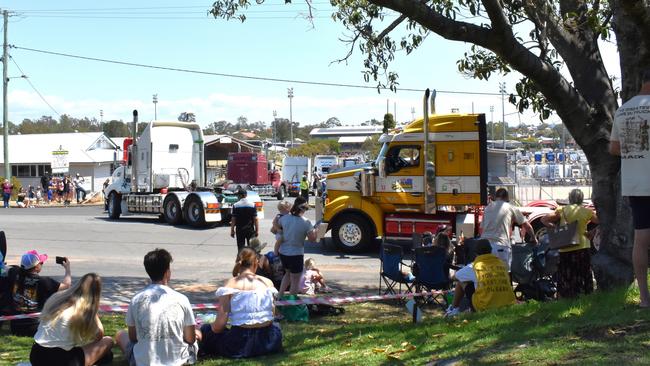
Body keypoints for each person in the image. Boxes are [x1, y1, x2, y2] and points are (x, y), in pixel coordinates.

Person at [609, 68, 650, 307]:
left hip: (636, 183)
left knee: (641, 239)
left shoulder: (623, 110)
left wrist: (636, 149)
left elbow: (614, 148)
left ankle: (644, 298)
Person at [116, 248, 197, 366]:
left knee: (121, 334)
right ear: (167, 272)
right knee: (197, 335)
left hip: (144, 361)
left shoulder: (136, 299)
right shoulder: (182, 299)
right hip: (179, 361)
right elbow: (190, 339)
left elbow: (133, 337)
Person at [197, 247, 282, 359]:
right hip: (269, 342)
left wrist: (206, 328)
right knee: (276, 327)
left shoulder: (230, 284)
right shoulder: (267, 283)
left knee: (207, 330)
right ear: (256, 263)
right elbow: (272, 315)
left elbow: (219, 326)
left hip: (241, 343)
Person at [30, 273, 114, 366]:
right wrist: (94, 311)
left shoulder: (57, 298)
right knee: (108, 341)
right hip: (62, 360)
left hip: (36, 354)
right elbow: (99, 335)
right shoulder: (84, 309)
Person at [541, 189, 598, 298]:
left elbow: (544, 220)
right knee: (583, 271)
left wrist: (555, 227)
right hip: (583, 246)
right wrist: (592, 232)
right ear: (581, 199)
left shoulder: (562, 210)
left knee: (566, 273)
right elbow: (601, 222)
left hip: (566, 246)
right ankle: (585, 294)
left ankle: (567, 295)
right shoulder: (586, 211)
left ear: (570, 198)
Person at [6, 250, 72, 336]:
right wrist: (68, 269)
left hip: (15, 327)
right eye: (41, 263)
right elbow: (66, 286)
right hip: (36, 327)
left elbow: (9, 269)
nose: (42, 264)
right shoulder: (43, 282)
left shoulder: (14, 274)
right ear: (36, 267)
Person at [445, 240, 516, 317]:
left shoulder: (474, 266)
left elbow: (456, 277)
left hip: (485, 306)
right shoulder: (501, 264)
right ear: (491, 251)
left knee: (461, 281)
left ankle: (453, 309)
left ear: (475, 253)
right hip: (507, 303)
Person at [480, 188, 537, 270]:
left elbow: (481, 229)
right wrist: (534, 238)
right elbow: (527, 226)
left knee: (487, 274)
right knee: (504, 274)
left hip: (485, 247)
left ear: (496, 197)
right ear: (506, 197)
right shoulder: (511, 207)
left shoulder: (488, 208)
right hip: (501, 246)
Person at [274, 197, 318, 297]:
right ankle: (292, 302)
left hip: (283, 252)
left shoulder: (284, 218)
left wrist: (280, 231)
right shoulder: (306, 222)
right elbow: (312, 239)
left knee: (287, 274)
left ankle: (280, 295)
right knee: (295, 279)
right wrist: (316, 231)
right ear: (304, 209)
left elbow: (275, 227)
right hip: (296, 254)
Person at [230, 188, 259, 252]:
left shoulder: (235, 205)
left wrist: (232, 230)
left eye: (238, 195)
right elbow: (255, 219)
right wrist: (257, 230)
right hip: (250, 230)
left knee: (240, 248)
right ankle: (251, 261)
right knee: (252, 248)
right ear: (246, 195)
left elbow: (233, 219)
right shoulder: (252, 205)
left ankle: (241, 261)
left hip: (240, 230)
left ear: (240, 196)